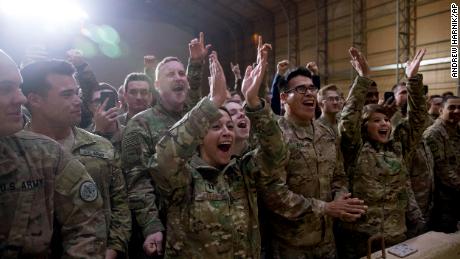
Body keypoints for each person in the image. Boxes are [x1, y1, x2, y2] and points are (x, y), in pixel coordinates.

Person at [21, 59, 131, 258]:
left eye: (77, 93)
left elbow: (120, 203)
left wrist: (113, 248)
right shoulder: (14, 153)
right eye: (67, 94)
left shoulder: (101, 146)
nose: (78, 101)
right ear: (35, 99)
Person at [0, 49, 105, 258]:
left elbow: (88, 221)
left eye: (19, 87)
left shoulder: (44, 154)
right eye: (5, 88)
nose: (20, 98)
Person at [121, 32, 210, 257]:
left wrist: (197, 62)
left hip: (203, 221)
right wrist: (151, 225)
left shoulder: (195, 118)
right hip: (166, 227)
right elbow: (137, 180)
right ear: (157, 85)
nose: (179, 77)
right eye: (171, 74)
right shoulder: (140, 123)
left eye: (182, 74)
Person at [263, 65, 366, 259]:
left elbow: (339, 176)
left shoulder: (326, 133)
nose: (309, 93)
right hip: (290, 246)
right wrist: (325, 207)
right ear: (284, 98)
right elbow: (274, 194)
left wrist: (340, 199)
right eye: (301, 89)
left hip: (327, 242)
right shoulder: (276, 136)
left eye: (312, 88)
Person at [337, 48, 426, 258]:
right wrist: (363, 79)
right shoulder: (355, 149)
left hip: (397, 235)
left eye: (386, 119)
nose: (384, 123)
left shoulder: (398, 147)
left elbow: (418, 119)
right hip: (361, 239)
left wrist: (413, 80)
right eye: (376, 120)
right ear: (364, 126)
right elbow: (348, 120)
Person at [423, 95, 460, 233]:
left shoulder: (456, 130)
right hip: (442, 198)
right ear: (441, 110)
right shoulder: (433, 134)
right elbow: (442, 168)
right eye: (451, 107)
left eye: (459, 108)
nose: (456, 111)